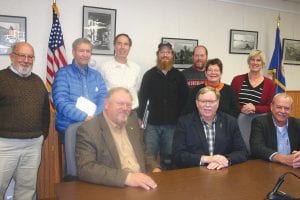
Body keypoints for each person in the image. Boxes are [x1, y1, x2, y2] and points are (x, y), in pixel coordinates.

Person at [76, 87, 161, 190]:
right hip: (115, 188)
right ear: (106, 104)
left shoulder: (132, 123)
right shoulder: (89, 130)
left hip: (141, 184)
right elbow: (85, 168)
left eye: (128, 105)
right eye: (120, 104)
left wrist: (155, 168)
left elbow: (143, 152)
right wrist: (127, 178)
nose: (125, 108)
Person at [0, 42, 50, 199]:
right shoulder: (1, 78)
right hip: (5, 145)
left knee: (27, 188)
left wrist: (42, 136)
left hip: (33, 145)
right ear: (12, 56)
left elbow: (45, 113)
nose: (26, 60)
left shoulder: (37, 81)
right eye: (22, 55)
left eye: (30, 57)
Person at [52, 38, 107, 177]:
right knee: (75, 169)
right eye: (81, 50)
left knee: (96, 167)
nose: (85, 54)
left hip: (94, 127)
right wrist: (84, 117)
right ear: (74, 52)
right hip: (71, 129)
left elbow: (103, 98)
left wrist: (94, 117)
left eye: (88, 51)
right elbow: (60, 102)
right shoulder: (63, 74)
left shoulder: (97, 75)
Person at [138, 42, 189, 169]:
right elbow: (142, 98)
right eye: (162, 52)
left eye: (168, 52)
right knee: (149, 156)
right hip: (152, 125)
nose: (165, 55)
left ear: (172, 55)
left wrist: (181, 120)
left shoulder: (179, 76)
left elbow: (185, 100)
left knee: (168, 158)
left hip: (172, 126)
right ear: (157, 55)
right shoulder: (149, 75)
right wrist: (139, 117)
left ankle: (168, 184)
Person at [172, 87, 248, 169]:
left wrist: (226, 160)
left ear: (218, 103)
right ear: (197, 103)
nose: (207, 105)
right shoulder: (184, 122)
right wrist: (207, 159)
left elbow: (242, 152)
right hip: (194, 172)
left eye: (211, 102)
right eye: (203, 101)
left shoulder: (230, 122)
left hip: (222, 171)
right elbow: (178, 155)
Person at [231, 49, 275, 152]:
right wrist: (242, 109)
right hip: (240, 119)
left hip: (260, 121)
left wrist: (255, 108)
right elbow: (231, 103)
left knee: (258, 149)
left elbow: (271, 107)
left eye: (258, 60)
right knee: (242, 148)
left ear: (262, 63)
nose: (255, 62)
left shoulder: (269, 83)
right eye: (252, 59)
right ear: (249, 62)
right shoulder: (237, 80)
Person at [250, 93, 300, 168]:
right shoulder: (260, 122)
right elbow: (257, 148)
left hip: (293, 168)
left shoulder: (297, 124)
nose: (283, 111)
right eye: (279, 107)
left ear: (291, 110)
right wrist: (283, 159)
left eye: (286, 108)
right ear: (271, 107)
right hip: (267, 167)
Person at [98, 33, 140, 112]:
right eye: (119, 44)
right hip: (111, 113)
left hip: (131, 112)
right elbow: (100, 92)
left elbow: (136, 90)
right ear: (114, 46)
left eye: (126, 44)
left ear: (129, 47)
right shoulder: (104, 67)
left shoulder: (136, 68)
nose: (122, 47)